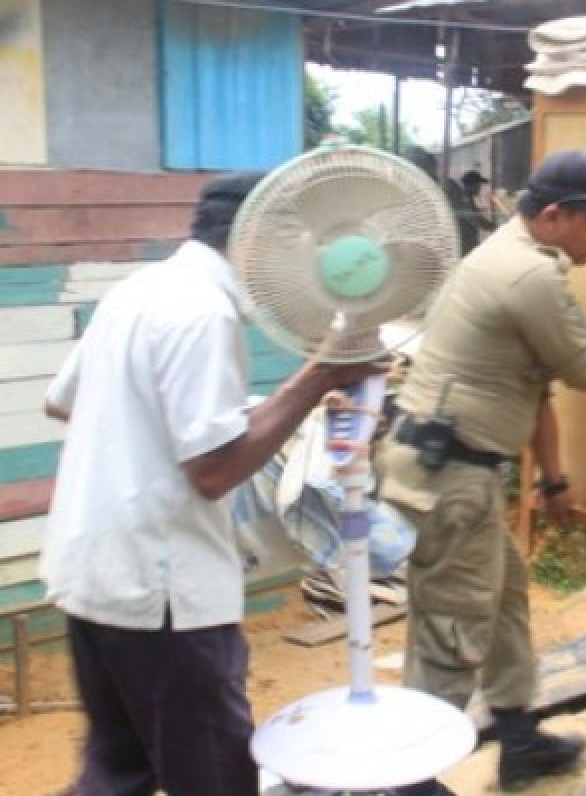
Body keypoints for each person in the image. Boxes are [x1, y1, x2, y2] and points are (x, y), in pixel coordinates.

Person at [39, 174, 383, 796]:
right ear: (260, 241)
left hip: (92, 572)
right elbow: (213, 470)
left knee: (118, 771)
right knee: (215, 776)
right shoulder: (203, 314)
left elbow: (66, 401)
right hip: (162, 592)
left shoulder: (140, 290)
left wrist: (246, 411)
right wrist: (315, 379)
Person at [375, 149, 586, 793]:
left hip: (450, 468)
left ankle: (520, 739)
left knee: (503, 601)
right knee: (452, 626)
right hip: (449, 478)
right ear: (556, 215)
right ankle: (406, 779)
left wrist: (552, 478)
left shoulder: (514, 254)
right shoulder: (525, 276)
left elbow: (532, 389)